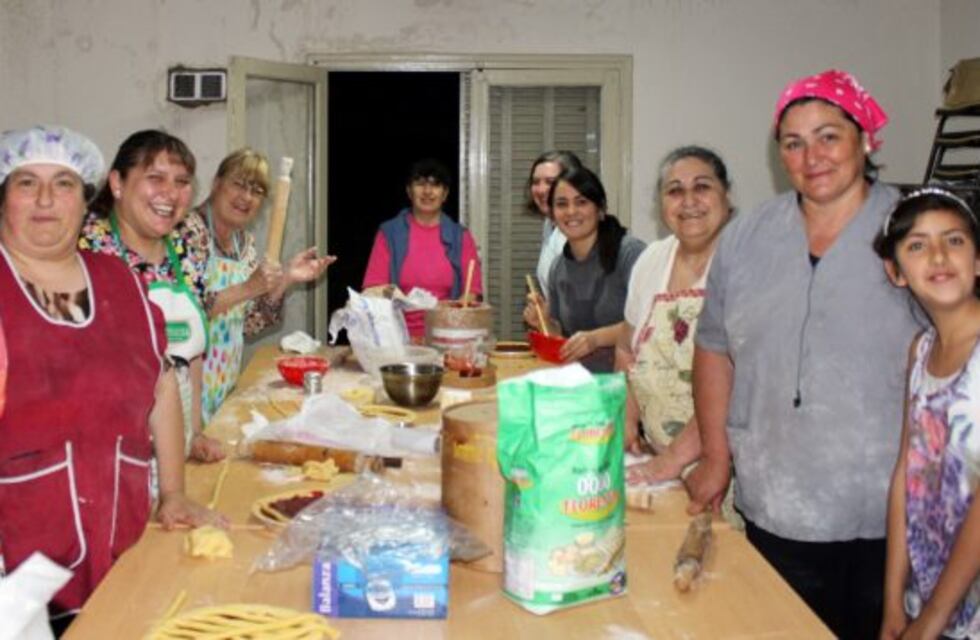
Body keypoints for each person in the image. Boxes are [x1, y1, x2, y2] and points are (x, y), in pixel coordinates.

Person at [686, 69, 921, 639]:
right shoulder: (746, 239)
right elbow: (714, 348)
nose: (811, 155)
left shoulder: (916, 231)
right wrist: (716, 456)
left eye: (828, 136)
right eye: (793, 142)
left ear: (865, 141)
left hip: (887, 515)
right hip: (776, 505)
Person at [0, 126, 223, 630]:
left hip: (118, 543)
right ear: (4, 199)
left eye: (63, 184)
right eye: (25, 183)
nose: (44, 199)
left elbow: (161, 383)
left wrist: (172, 493)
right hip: (16, 572)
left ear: (85, 201)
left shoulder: (117, 280)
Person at [80, 130, 223, 463]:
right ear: (117, 183)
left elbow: (192, 354)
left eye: (182, 181)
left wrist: (194, 432)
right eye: (155, 178)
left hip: (175, 444)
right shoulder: (86, 250)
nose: (170, 194)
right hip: (108, 450)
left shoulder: (188, 246)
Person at [875, 188, 979, 640]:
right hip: (929, 597)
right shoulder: (920, 351)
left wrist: (934, 617)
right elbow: (907, 475)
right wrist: (894, 601)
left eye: (954, 240)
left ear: (978, 260)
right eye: (917, 245)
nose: (938, 255)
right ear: (896, 271)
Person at [183, 148, 335, 423]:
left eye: (256, 191)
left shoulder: (245, 244)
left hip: (222, 384)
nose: (246, 197)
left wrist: (285, 278)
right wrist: (249, 287)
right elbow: (184, 314)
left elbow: (250, 324)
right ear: (217, 183)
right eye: (238, 184)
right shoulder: (187, 233)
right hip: (183, 388)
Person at [616, 146, 734, 493]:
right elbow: (626, 347)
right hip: (657, 457)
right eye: (675, 191)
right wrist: (628, 417)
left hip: (723, 467)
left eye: (702, 187)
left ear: (725, 195)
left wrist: (675, 459)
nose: (689, 201)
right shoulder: (651, 259)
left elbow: (740, 382)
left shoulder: (745, 263)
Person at [523, 166, 645, 372]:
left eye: (581, 202)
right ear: (552, 215)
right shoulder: (558, 268)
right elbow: (566, 339)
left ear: (600, 209)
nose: (571, 212)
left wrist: (596, 339)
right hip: (582, 382)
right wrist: (544, 322)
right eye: (562, 204)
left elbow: (651, 321)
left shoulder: (630, 254)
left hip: (630, 382)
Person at [362, 158, 483, 340]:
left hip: (448, 338)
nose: (427, 191)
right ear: (409, 191)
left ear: (445, 194)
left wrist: (450, 315)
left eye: (435, 185)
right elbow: (372, 290)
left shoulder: (461, 237)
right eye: (420, 184)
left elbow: (472, 294)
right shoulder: (389, 233)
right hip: (396, 339)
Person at [526, 150, 583, 292]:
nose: (541, 189)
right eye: (536, 182)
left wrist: (548, 313)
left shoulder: (580, 230)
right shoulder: (549, 224)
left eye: (550, 182)